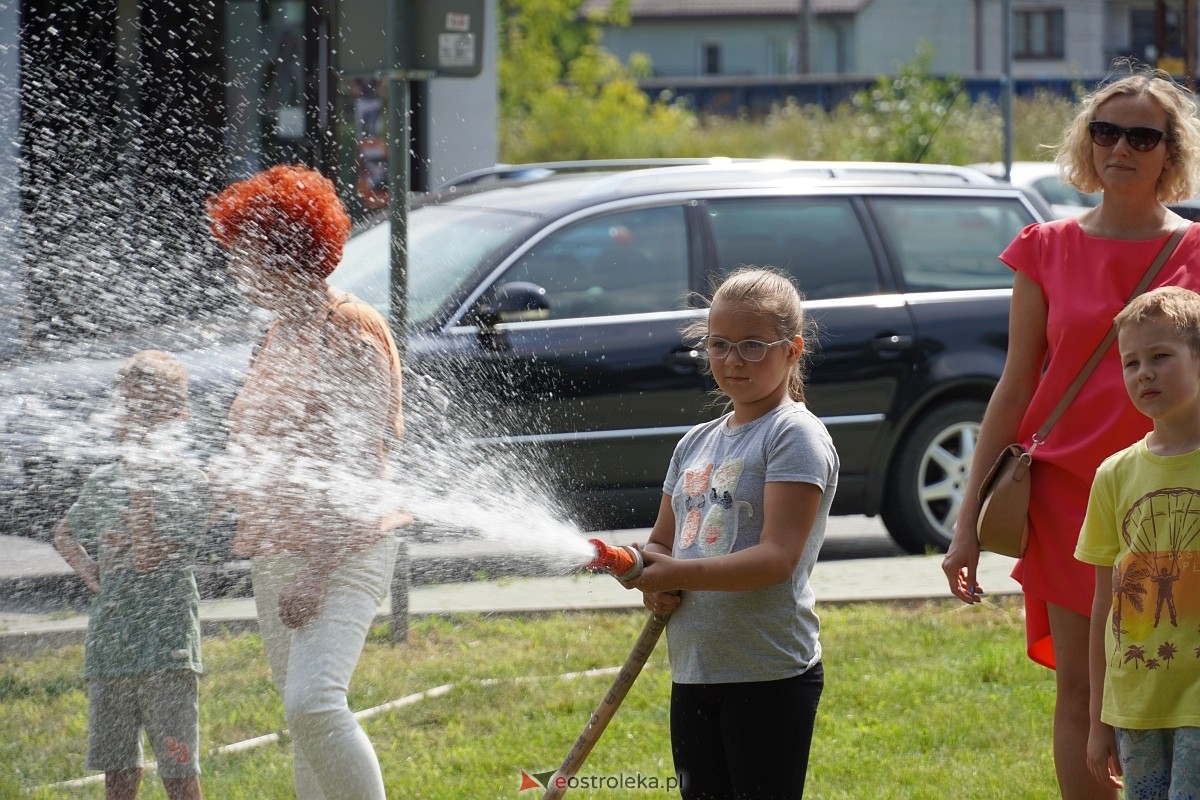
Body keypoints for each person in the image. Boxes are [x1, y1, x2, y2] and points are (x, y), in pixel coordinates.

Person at [942, 64, 1200, 799]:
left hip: (1177, 493)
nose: (1121, 146)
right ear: (1088, 143)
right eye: (1105, 131)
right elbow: (1016, 386)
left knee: (1183, 683)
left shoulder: (1199, 252)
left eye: (1142, 135)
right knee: (1083, 696)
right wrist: (967, 526)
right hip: (1067, 501)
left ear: (1170, 152)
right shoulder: (1045, 247)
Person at [206, 164, 404, 799]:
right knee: (303, 725)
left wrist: (316, 569)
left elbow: (359, 459)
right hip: (275, 547)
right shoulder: (278, 331)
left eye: (244, 255)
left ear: (280, 253)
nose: (236, 271)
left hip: (341, 547)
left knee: (314, 705)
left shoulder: (349, 326)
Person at [625, 266, 838, 799]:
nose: (732, 360)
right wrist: (650, 571)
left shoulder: (793, 435)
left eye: (751, 345)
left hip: (768, 672)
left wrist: (678, 573)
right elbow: (662, 542)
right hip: (696, 670)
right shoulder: (694, 443)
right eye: (719, 345)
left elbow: (777, 558)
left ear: (792, 349)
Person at [52, 349, 208, 800]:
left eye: (149, 412)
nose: (136, 421)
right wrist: (93, 575)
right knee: (118, 775)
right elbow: (64, 533)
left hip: (167, 655)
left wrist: (141, 485)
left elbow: (147, 559)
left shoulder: (188, 483)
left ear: (178, 417)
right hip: (109, 652)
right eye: (129, 408)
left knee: (179, 772)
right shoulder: (103, 482)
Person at [1077, 286, 1200, 797]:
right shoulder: (1114, 475)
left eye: (1160, 357)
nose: (1143, 372)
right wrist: (1098, 718)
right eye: (1131, 362)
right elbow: (1106, 603)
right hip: (1137, 704)